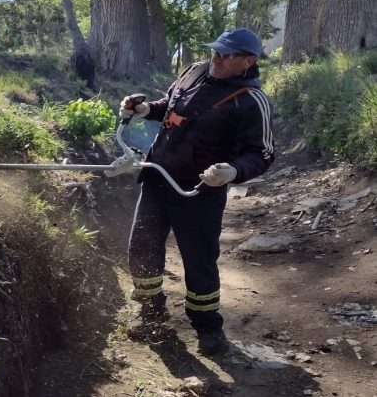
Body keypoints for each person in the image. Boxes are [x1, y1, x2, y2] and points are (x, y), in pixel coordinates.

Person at [116, 28, 274, 356]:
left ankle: (207, 327)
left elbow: (262, 154)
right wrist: (146, 110)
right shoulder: (193, 73)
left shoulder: (250, 100)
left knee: (199, 261)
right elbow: (171, 107)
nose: (215, 58)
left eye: (225, 55)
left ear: (248, 61)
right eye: (215, 51)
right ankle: (150, 312)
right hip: (156, 177)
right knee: (142, 248)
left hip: (199, 191)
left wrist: (233, 171)